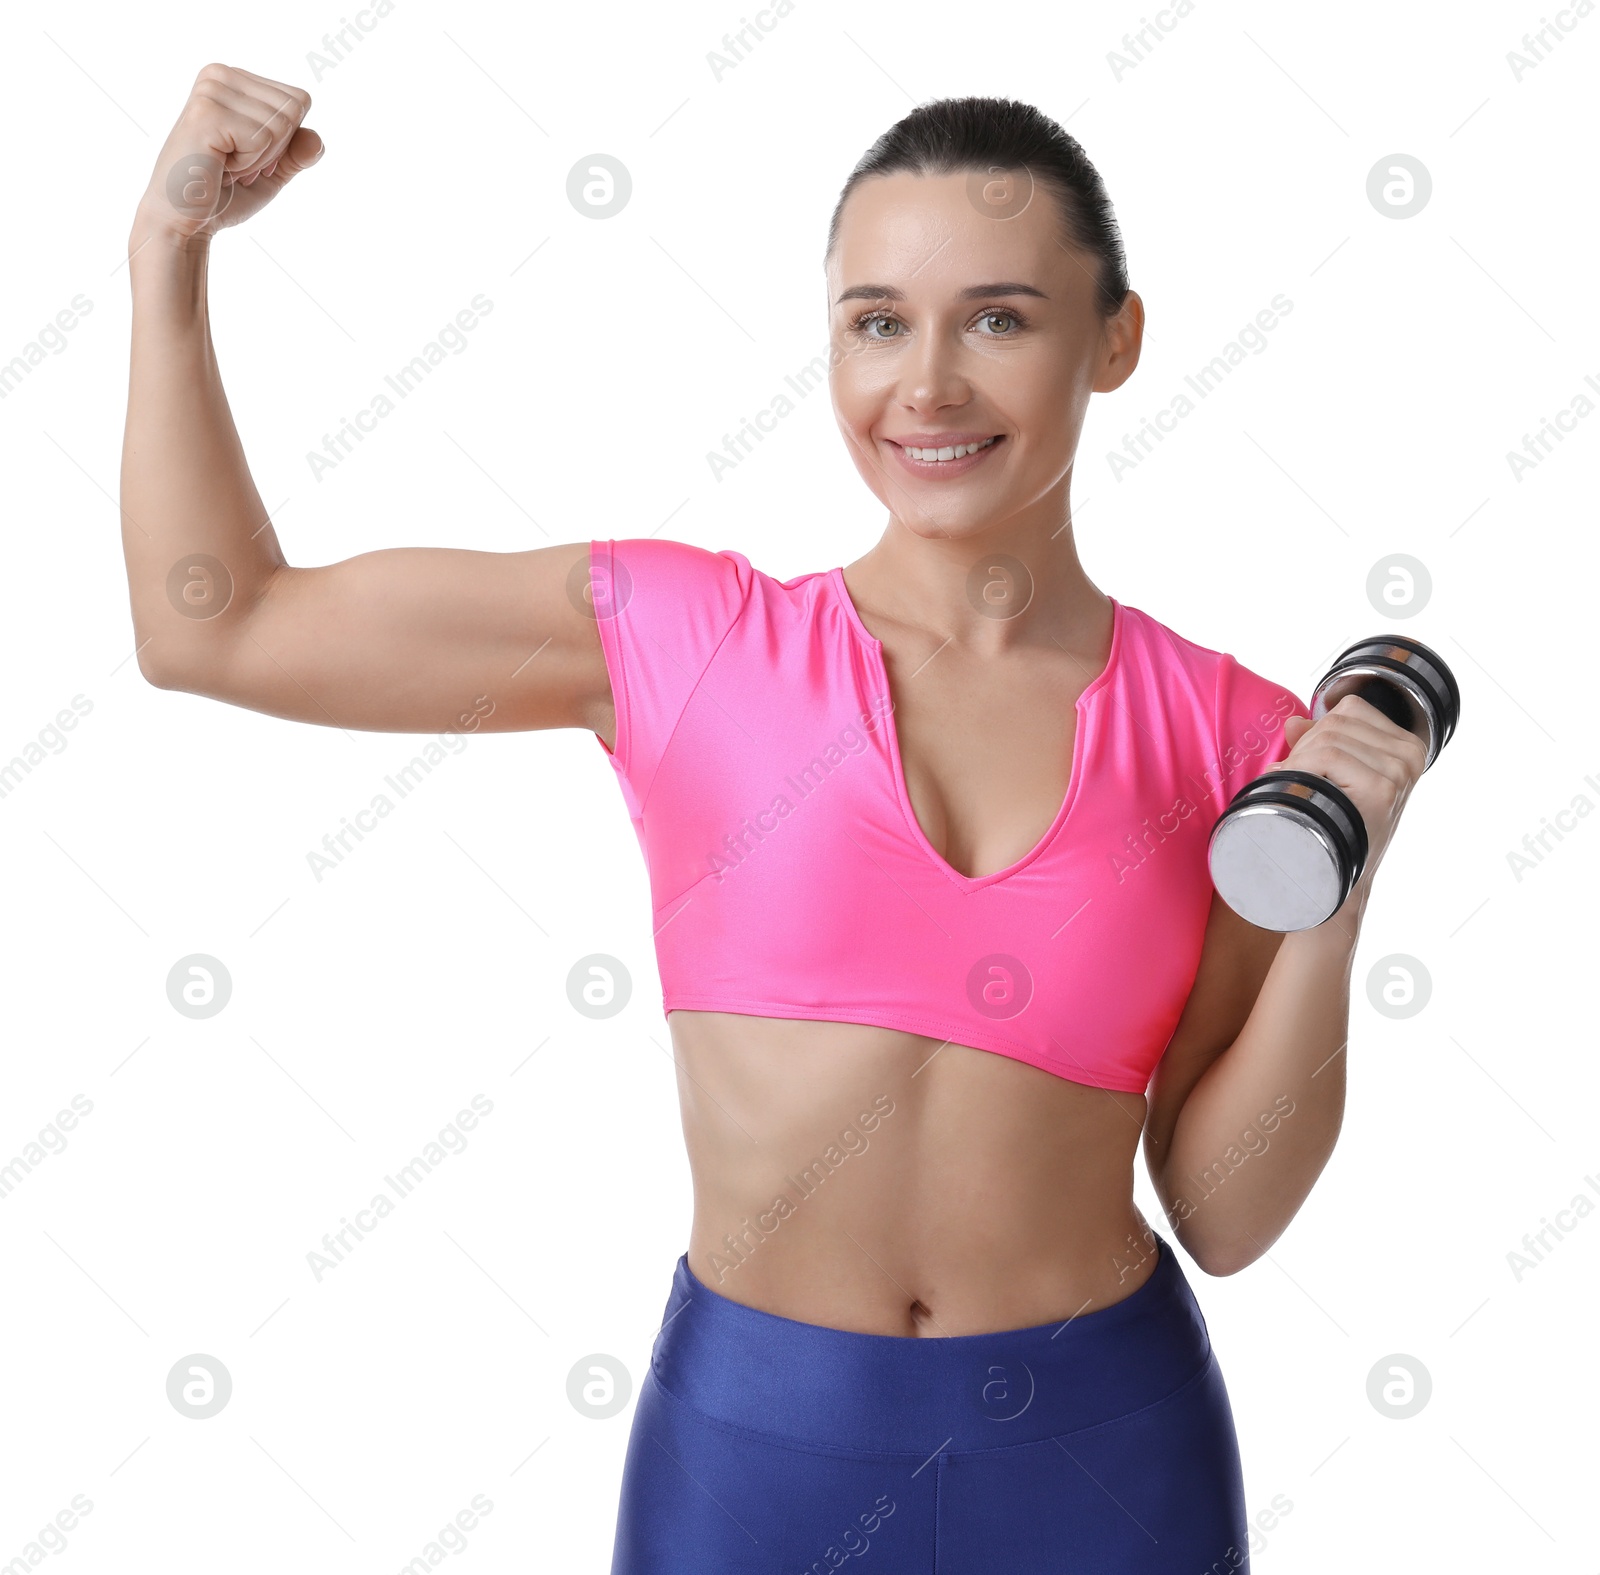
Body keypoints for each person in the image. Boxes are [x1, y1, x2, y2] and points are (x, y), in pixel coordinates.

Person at [120, 69, 1427, 1574]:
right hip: (759, 1448)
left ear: (1114, 339)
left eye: (998, 318)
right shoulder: (686, 641)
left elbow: (1225, 1211)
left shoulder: (1234, 735)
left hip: (1102, 1450)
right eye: (878, 321)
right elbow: (211, 627)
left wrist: (1335, 900)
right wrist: (171, 251)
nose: (924, 386)